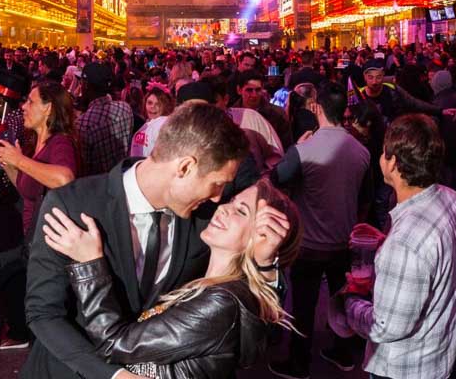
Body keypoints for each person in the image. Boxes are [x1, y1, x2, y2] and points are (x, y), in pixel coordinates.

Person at [21, 103, 291, 379]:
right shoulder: (73, 204)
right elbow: (43, 313)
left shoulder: (207, 222)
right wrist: (112, 376)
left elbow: (250, 333)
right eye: (218, 183)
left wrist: (266, 264)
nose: (218, 198)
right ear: (185, 167)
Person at [43, 178, 302, 378]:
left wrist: (90, 264)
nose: (223, 208)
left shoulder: (222, 303)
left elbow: (115, 343)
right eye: (232, 201)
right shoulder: (211, 282)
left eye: (241, 211)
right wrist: (266, 266)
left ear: (260, 239)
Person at [338, 114, 456, 379]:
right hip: (438, 356)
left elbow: (386, 327)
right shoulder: (453, 200)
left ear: (393, 163)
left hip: (404, 369)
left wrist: (349, 302)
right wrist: (384, 242)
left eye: (383, 153)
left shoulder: (406, 244)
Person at [269, 82, 370, 378]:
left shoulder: (305, 149)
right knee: (342, 301)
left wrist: (296, 148)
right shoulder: (361, 150)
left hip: (310, 244)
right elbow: (365, 198)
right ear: (345, 111)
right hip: (343, 241)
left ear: (318, 109)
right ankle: (342, 351)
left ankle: (299, 364)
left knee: (303, 305)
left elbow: (276, 178)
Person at [0, 81, 79, 349]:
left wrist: (19, 160)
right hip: (35, 237)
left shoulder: (60, 142)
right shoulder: (37, 143)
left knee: (43, 309)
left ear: (48, 108)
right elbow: (28, 189)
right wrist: (7, 163)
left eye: (30, 101)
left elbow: (64, 178)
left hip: (49, 243)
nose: (23, 107)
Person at [76, 62, 133, 176]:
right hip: (121, 178)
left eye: (81, 82)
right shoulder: (125, 108)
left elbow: (82, 168)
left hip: (96, 186)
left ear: (86, 85)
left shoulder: (83, 124)